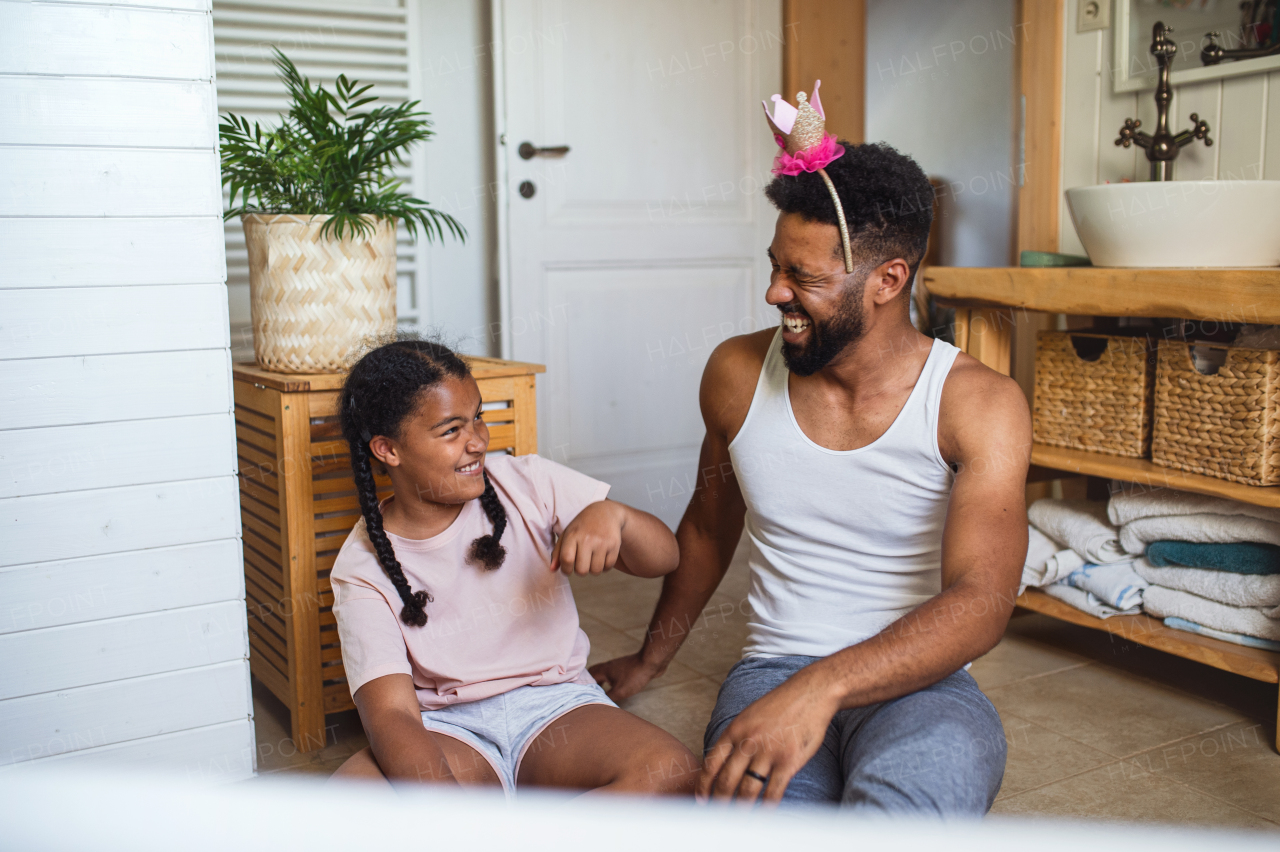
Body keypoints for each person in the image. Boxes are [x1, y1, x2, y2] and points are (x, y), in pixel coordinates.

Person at [589, 84, 1030, 814]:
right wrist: (648, 659)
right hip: (771, 672)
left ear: (888, 280)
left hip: (926, 683)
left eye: (804, 278)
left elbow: (982, 601)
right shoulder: (735, 374)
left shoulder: (977, 404)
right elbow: (707, 526)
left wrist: (822, 688)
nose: (774, 294)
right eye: (774, 266)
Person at [327, 339, 697, 797]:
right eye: (451, 430)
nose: (478, 440)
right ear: (388, 449)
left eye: (478, 417)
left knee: (675, 774)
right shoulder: (361, 566)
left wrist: (615, 518)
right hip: (447, 728)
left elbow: (666, 557)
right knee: (348, 801)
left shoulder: (527, 482)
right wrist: (445, 807)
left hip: (555, 707)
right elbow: (391, 715)